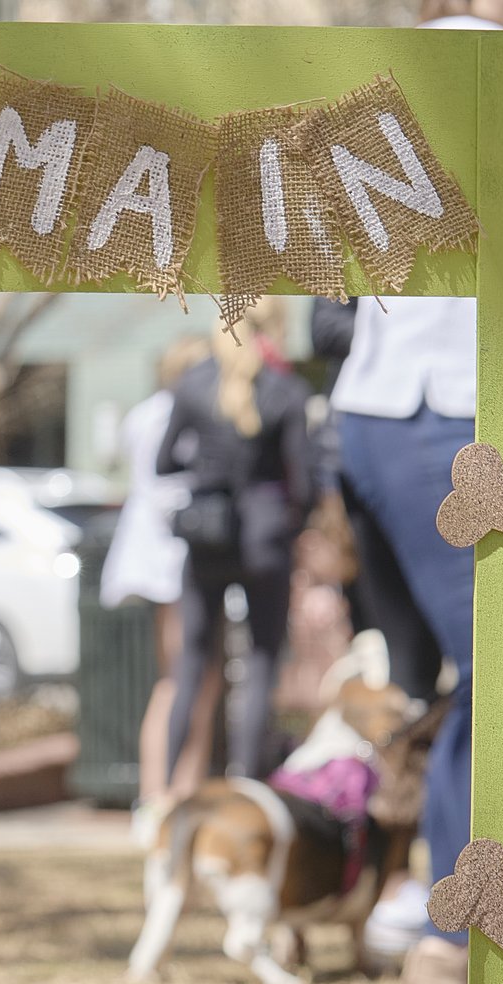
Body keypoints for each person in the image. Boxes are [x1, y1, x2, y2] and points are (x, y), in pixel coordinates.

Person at [336, 0, 503, 984]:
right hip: (451, 412)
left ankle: (454, 942)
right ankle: (456, 954)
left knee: (492, 685)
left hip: (425, 416)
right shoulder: (478, 59)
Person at [156, 298, 311, 786]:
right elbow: (305, 486)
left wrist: (205, 472)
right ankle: (245, 784)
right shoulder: (286, 390)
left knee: (192, 667)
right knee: (261, 664)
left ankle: (160, 794)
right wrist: (289, 523)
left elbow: (163, 463)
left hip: (209, 536)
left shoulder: (193, 383)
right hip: (265, 540)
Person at [100, 335, 222, 831]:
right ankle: (170, 793)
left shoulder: (144, 413)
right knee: (190, 679)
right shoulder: (189, 410)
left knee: (182, 677)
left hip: (154, 553)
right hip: (177, 555)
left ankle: (170, 792)